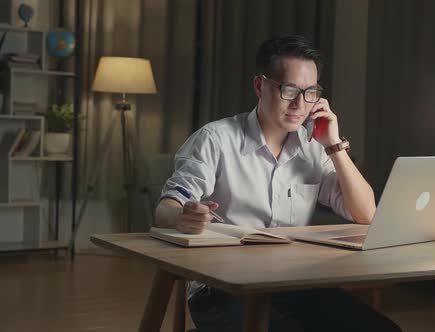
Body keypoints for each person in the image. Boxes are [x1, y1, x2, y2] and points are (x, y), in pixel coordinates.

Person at [155, 34, 402, 332]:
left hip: (293, 282)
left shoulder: (314, 146)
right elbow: (166, 209)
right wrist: (182, 217)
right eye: (289, 90)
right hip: (223, 289)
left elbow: (366, 214)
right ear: (260, 86)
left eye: (310, 92)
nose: (300, 104)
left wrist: (334, 143)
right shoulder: (216, 140)